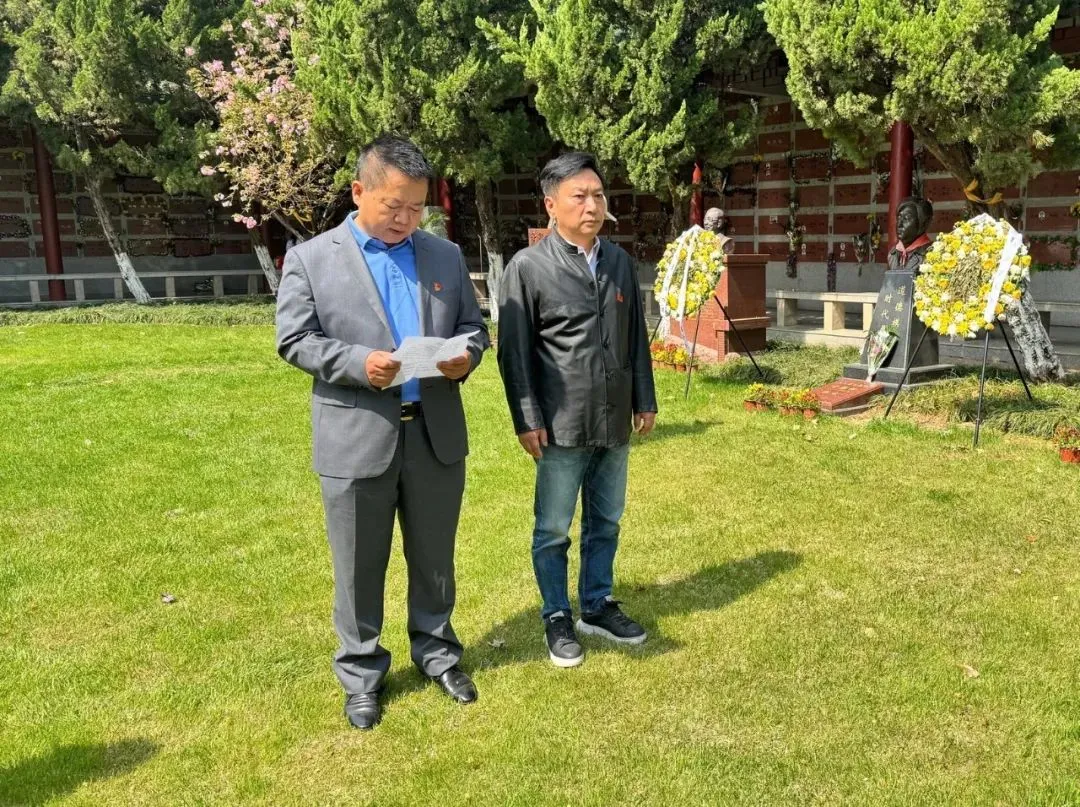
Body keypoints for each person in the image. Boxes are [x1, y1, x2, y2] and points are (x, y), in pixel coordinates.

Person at [276, 135, 489, 729]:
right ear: (358, 191)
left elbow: (474, 328)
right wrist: (357, 364)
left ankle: (438, 654)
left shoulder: (443, 256)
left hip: (433, 437)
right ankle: (362, 674)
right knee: (357, 565)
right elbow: (294, 339)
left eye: (417, 208)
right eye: (394, 206)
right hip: (355, 435)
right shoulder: (312, 259)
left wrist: (467, 358)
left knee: (435, 558)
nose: (405, 220)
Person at [496, 152, 658, 668]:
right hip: (560, 423)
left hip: (613, 416)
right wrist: (527, 418)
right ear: (551, 205)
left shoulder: (618, 263)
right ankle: (556, 614)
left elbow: (635, 339)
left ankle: (596, 603)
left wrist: (644, 398)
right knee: (553, 528)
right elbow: (514, 353)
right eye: (579, 196)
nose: (592, 206)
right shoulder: (529, 268)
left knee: (606, 519)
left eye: (598, 195)